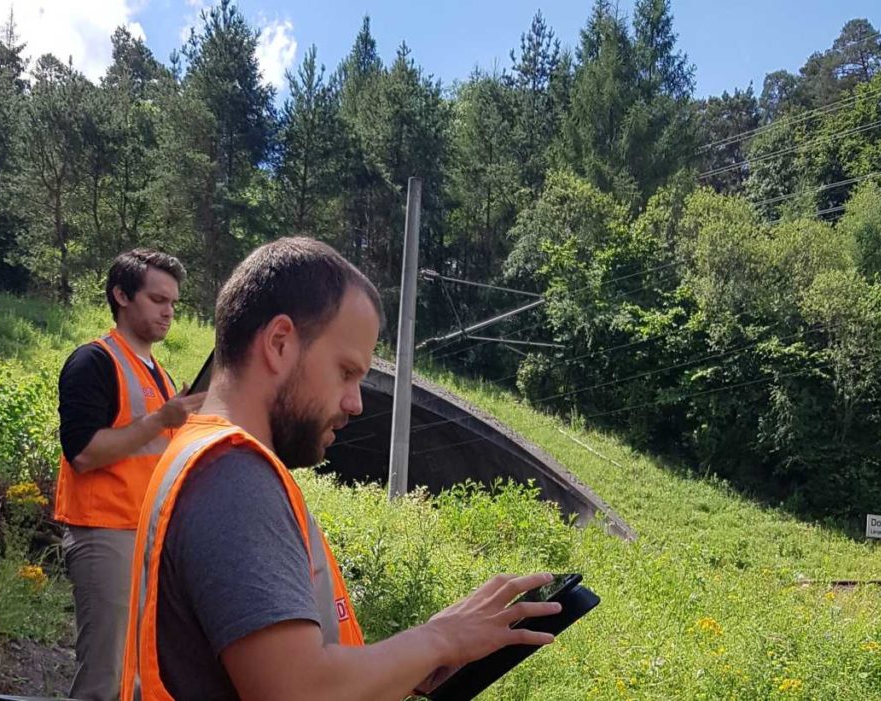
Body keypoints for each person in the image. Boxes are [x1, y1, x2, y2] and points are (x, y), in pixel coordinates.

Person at [120, 237, 560, 701]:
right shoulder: (233, 476)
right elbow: (299, 691)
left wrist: (418, 658)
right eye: (347, 372)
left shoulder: (198, 450)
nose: (355, 403)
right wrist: (440, 640)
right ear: (279, 343)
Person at [55, 249, 205, 701]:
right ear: (121, 295)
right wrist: (160, 420)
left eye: (174, 303)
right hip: (104, 534)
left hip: (149, 539)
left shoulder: (159, 373)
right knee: (106, 677)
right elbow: (82, 453)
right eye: (157, 299)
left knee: (143, 678)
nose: (168, 312)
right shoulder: (93, 361)